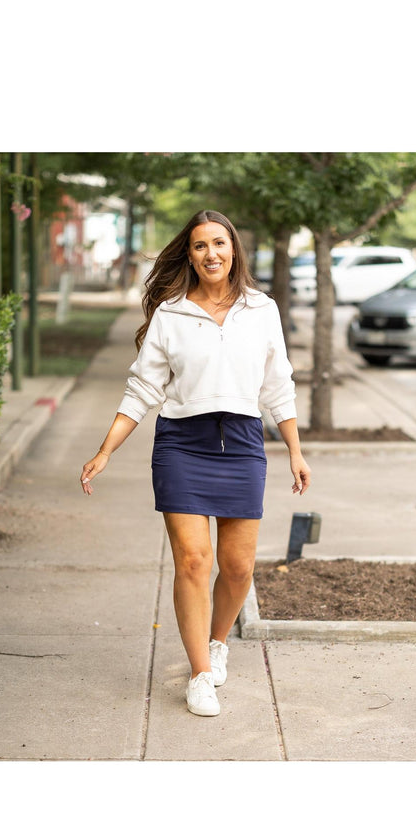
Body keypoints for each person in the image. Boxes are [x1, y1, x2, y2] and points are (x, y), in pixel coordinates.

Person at [79, 209, 311, 717]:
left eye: (220, 244)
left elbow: (278, 384)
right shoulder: (172, 313)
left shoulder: (262, 309)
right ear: (190, 254)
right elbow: (142, 389)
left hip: (245, 442)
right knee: (192, 561)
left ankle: (218, 640)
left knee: (237, 567)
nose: (212, 253)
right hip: (184, 445)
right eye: (201, 245)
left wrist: (294, 449)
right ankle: (200, 672)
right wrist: (105, 449)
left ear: (234, 251)